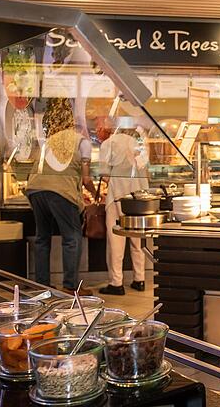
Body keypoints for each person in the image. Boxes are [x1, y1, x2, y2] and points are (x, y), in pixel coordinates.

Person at [26, 97, 95, 296]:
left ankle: (42, 285)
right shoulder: (81, 141)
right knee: (72, 238)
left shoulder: (50, 141)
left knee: (42, 238)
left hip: (35, 189)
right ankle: (70, 286)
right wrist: (94, 193)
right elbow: (86, 178)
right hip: (60, 192)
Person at [98, 116, 150, 295]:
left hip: (117, 195)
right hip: (139, 196)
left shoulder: (108, 144)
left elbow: (104, 174)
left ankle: (116, 283)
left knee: (116, 240)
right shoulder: (138, 143)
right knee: (138, 239)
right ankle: (139, 279)